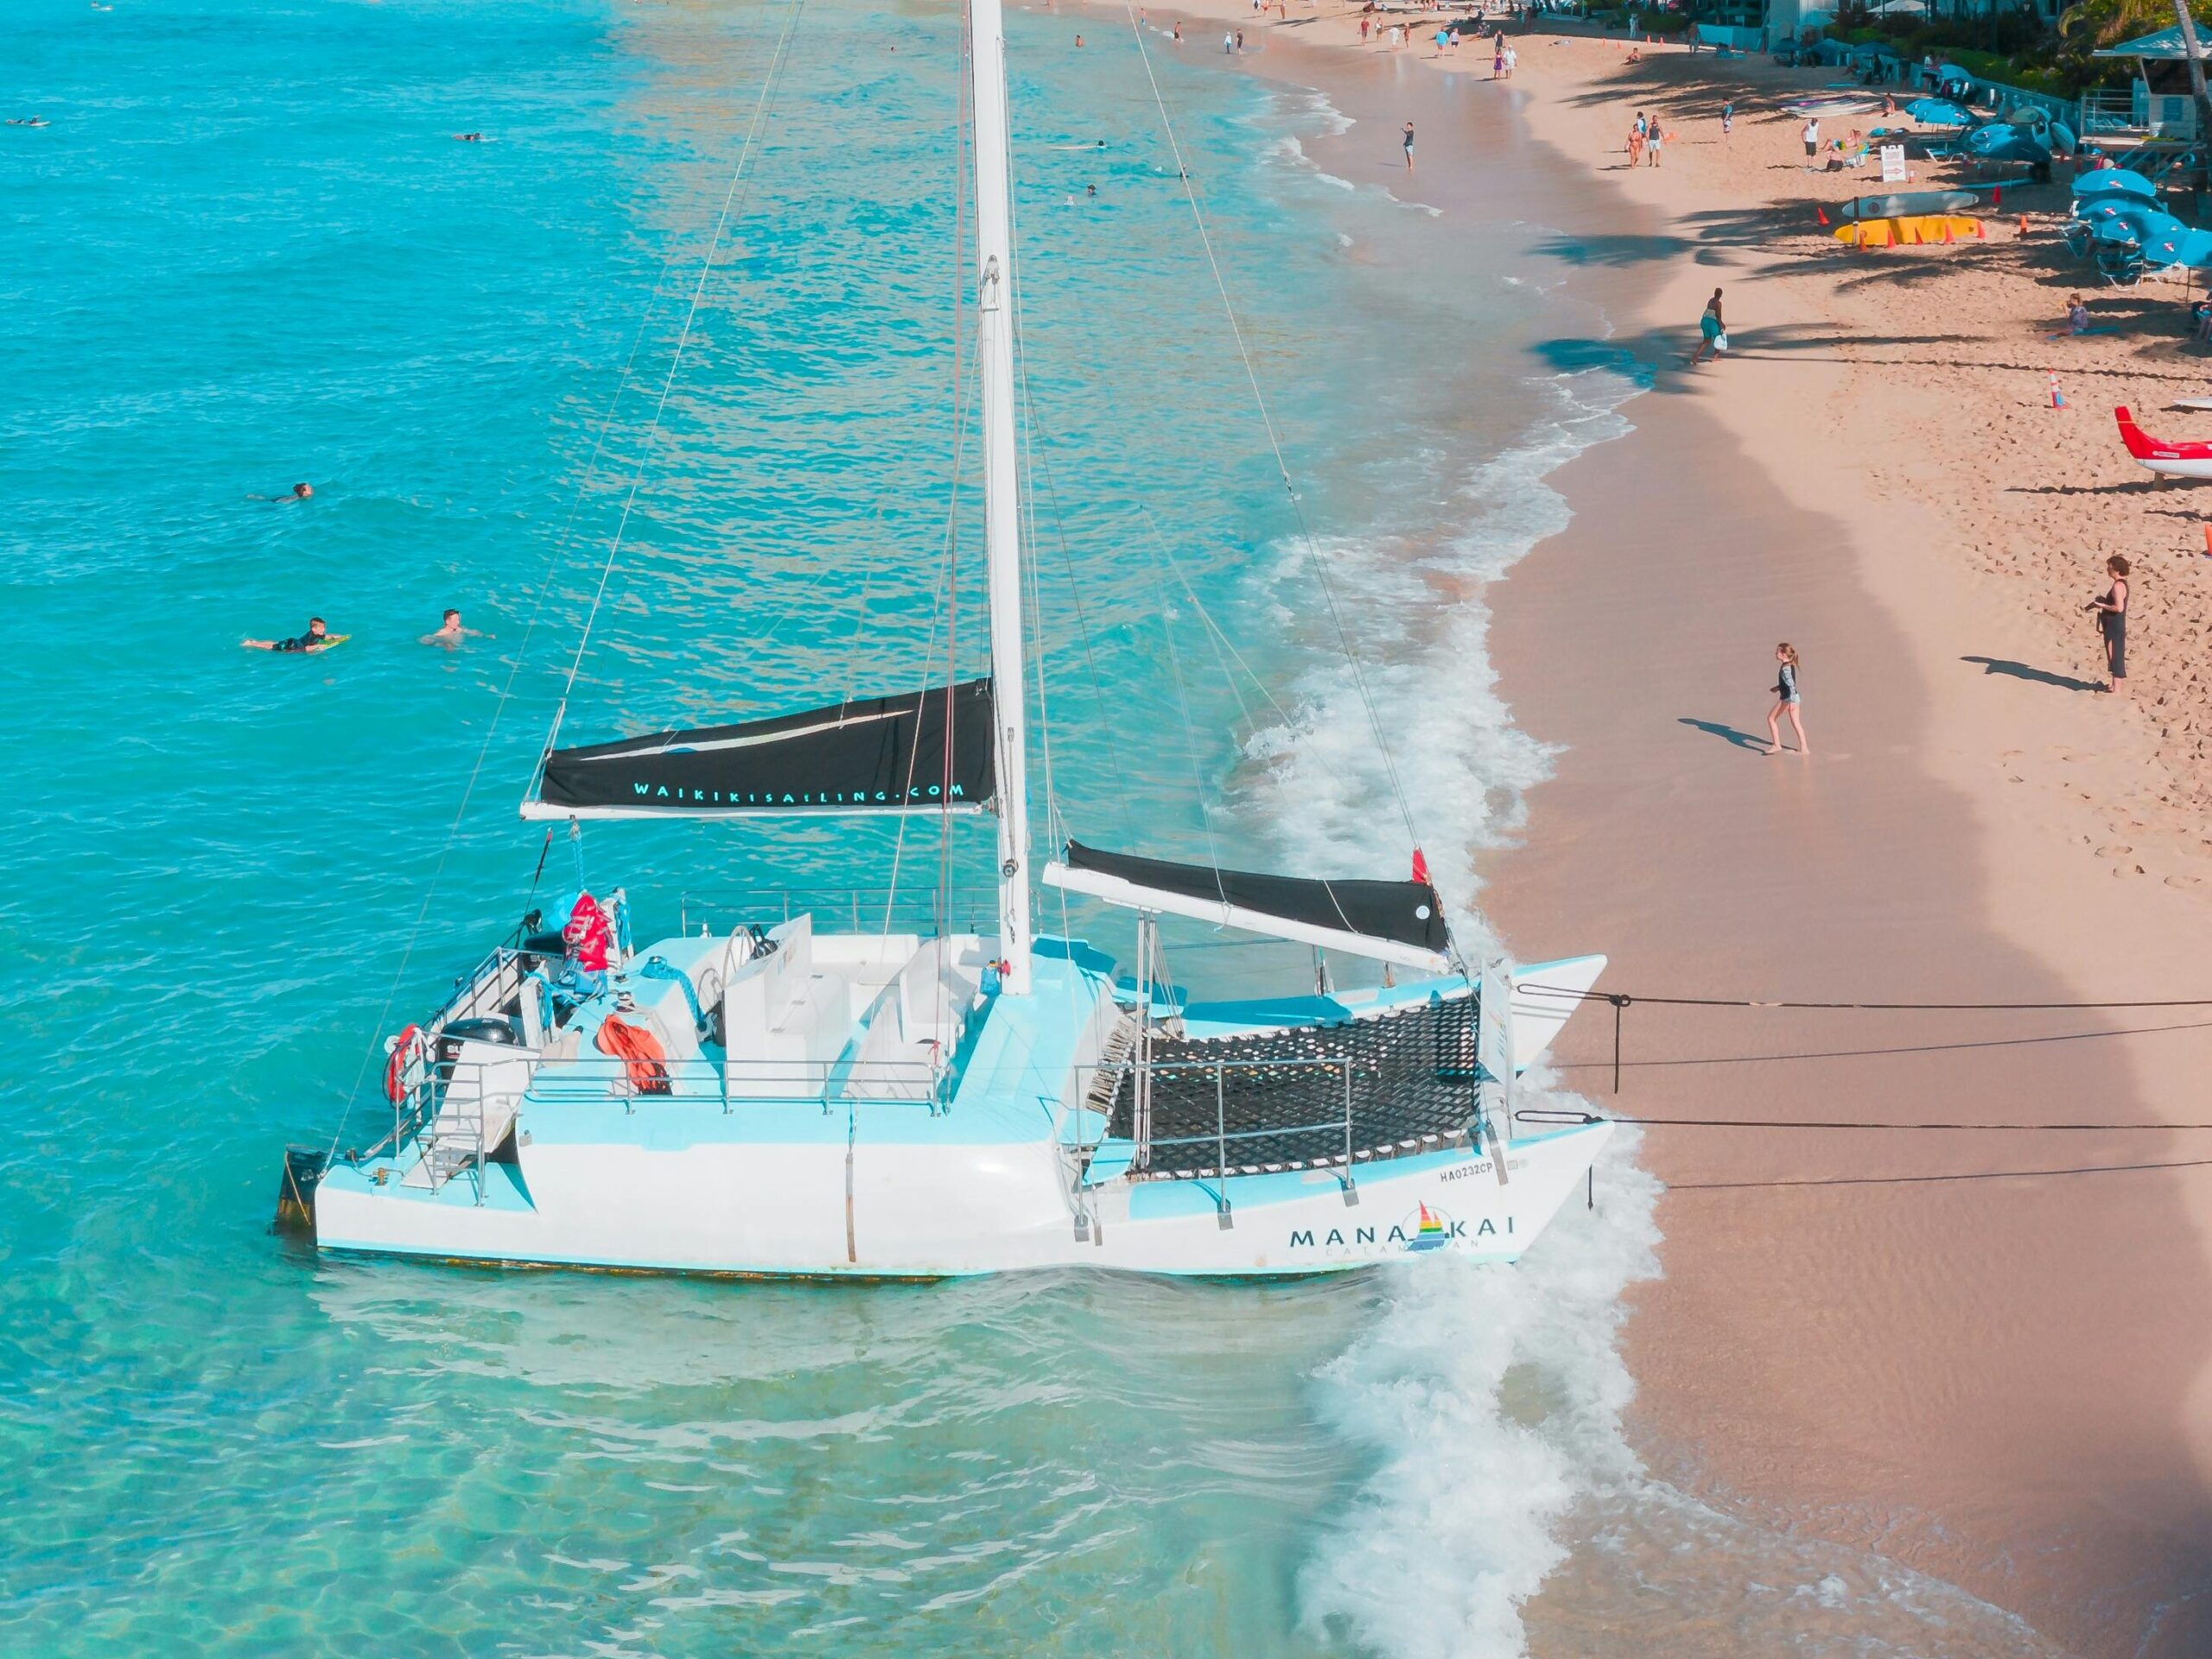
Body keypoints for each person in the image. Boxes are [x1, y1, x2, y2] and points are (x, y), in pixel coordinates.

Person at [551, 891, 613, 1011]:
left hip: (583, 972)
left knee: (555, 992)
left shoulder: (577, 921)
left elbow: (568, 936)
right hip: (598, 969)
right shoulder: (595, 914)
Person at [2087, 555, 2130, 692]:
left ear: (2116, 569)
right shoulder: (2122, 583)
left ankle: (2117, 688)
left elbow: (2118, 607)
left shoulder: (2118, 586)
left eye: (2109, 566)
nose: (2107, 569)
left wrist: (2101, 605)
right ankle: (2113, 685)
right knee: (2113, 653)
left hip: (2114, 624)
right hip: (2114, 623)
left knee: (2115, 654)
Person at [1765, 644, 1808, 755]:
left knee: (1771, 719)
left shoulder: (1785, 668)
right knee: (1796, 723)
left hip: (1788, 699)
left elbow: (1791, 685)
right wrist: (1778, 687)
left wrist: (1790, 701)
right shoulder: (1790, 665)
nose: (1775, 654)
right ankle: (1804, 748)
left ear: (1783, 654)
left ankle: (1776, 745)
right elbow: (1788, 684)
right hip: (1794, 698)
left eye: (1777, 652)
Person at [243, 617, 332, 652]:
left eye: (324, 627)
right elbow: (307, 648)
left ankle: (255, 642)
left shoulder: (315, 634)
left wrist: (338, 637)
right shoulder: (313, 638)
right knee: (270, 647)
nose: (324, 629)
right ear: (314, 629)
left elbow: (328, 636)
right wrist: (319, 647)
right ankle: (251, 644)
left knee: (273, 644)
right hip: (291, 646)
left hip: (293, 642)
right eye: (322, 628)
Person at [1688, 286, 1725, 366]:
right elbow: (1718, 316)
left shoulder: (1710, 300)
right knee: (1719, 338)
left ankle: (1695, 357)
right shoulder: (1719, 303)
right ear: (1720, 295)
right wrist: (1721, 324)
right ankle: (1715, 357)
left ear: (1715, 294)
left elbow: (1710, 311)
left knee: (1706, 341)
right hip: (1711, 322)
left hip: (1704, 321)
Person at [422, 607, 488, 646]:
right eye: (455, 620)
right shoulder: (442, 633)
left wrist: (486, 636)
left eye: (458, 620)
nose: (458, 622)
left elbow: (472, 632)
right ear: (447, 621)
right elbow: (426, 639)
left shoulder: (458, 629)